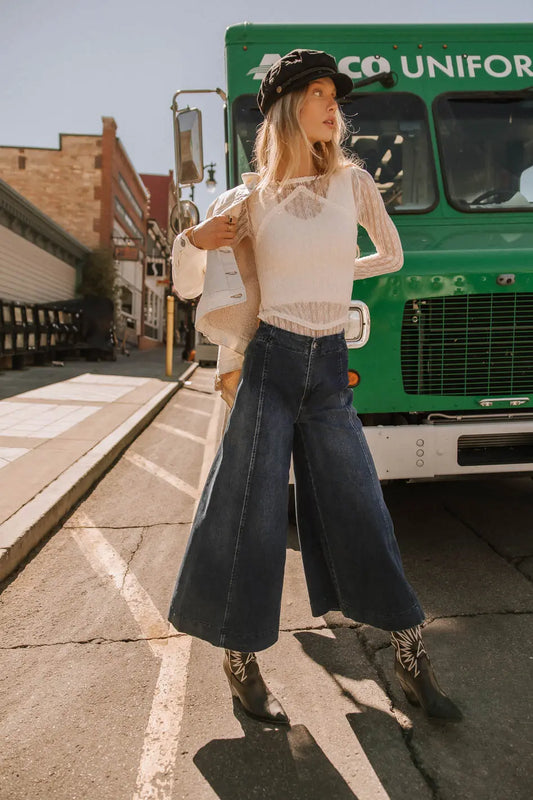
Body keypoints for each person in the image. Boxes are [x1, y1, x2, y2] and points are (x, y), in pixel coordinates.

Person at [168, 49, 462, 724]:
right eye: (319, 94)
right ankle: (240, 662)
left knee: (363, 509)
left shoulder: (352, 183)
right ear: (285, 109)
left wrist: (331, 275)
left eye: (336, 95)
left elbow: (389, 255)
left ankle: (410, 656)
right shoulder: (245, 199)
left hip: (327, 370)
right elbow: (189, 283)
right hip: (268, 364)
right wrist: (195, 235)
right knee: (246, 516)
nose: (335, 106)